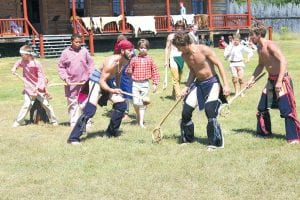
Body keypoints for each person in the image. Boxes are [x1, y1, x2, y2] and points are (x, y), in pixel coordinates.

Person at [67, 39, 134, 145]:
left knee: (121, 105)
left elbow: (118, 74)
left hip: (108, 80)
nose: (132, 53)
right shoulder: (111, 62)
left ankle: (111, 132)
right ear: (122, 51)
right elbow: (102, 81)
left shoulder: (126, 59)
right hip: (97, 80)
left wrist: (117, 87)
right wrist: (112, 90)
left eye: (132, 50)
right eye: (129, 50)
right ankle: (73, 138)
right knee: (90, 110)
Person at [172, 32, 230, 149]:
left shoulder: (204, 50)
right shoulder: (184, 55)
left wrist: (226, 84)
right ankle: (188, 139)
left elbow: (219, 65)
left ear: (186, 44)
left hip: (212, 82)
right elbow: (193, 71)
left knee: (210, 111)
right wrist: (186, 86)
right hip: (199, 84)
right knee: (186, 111)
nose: (179, 51)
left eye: (179, 48)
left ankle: (215, 143)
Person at [246, 24, 300, 144]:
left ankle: (294, 138)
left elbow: (283, 61)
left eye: (251, 35)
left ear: (259, 35)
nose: (250, 38)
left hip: (282, 79)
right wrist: (251, 79)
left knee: (287, 109)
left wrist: (280, 81)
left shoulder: (270, 45)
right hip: (271, 80)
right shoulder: (259, 48)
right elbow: (260, 65)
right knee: (262, 107)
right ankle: (264, 133)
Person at [11, 45, 58, 127]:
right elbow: (18, 63)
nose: (21, 56)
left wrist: (37, 87)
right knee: (26, 105)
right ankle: (18, 122)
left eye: (22, 54)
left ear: (28, 54)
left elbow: (41, 77)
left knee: (46, 105)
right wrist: (14, 68)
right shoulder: (23, 61)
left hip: (38, 88)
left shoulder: (36, 64)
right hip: (28, 88)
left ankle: (54, 121)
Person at [57, 34, 95, 127]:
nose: (78, 44)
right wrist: (65, 78)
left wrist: (89, 76)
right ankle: (74, 123)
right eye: (76, 42)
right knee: (73, 103)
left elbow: (91, 65)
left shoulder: (84, 51)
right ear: (71, 42)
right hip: (72, 83)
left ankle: (86, 121)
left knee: (84, 102)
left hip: (84, 82)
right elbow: (61, 67)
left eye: (79, 42)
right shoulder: (66, 53)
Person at [126, 39, 160, 128]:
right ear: (138, 49)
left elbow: (155, 71)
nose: (143, 49)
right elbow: (129, 71)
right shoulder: (134, 59)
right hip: (135, 84)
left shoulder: (150, 59)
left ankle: (141, 123)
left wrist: (155, 83)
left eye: (145, 48)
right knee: (136, 103)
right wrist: (130, 78)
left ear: (147, 49)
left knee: (142, 103)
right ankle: (138, 115)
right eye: (141, 48)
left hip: (145, 83)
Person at [114, 34, 133, 121]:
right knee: (118, 92)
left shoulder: (131, 52)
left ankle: (126, 113)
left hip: (127, 76)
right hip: (118, 76)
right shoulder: (117, 53)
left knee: (126, 94)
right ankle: (119, 110)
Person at [164, 20, 185, 100]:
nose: (179, 29)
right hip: (173, 57)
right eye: (178, 27)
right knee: (175, 77)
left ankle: (174, 93)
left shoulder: (184, 37)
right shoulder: (171, 36)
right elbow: (167, 48)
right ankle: (179, 96)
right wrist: (166, 60)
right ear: (175, 28)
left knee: (179, 77)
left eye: (181, 27)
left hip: (181, 58)